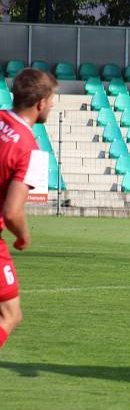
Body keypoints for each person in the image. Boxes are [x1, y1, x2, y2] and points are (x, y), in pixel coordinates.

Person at [0, 68, 56, 350]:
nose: (53, 104)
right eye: (52, 98)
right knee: (10, 314)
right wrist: (23, 236)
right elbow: (11, 212)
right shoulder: (30, 150)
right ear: (41, 103)